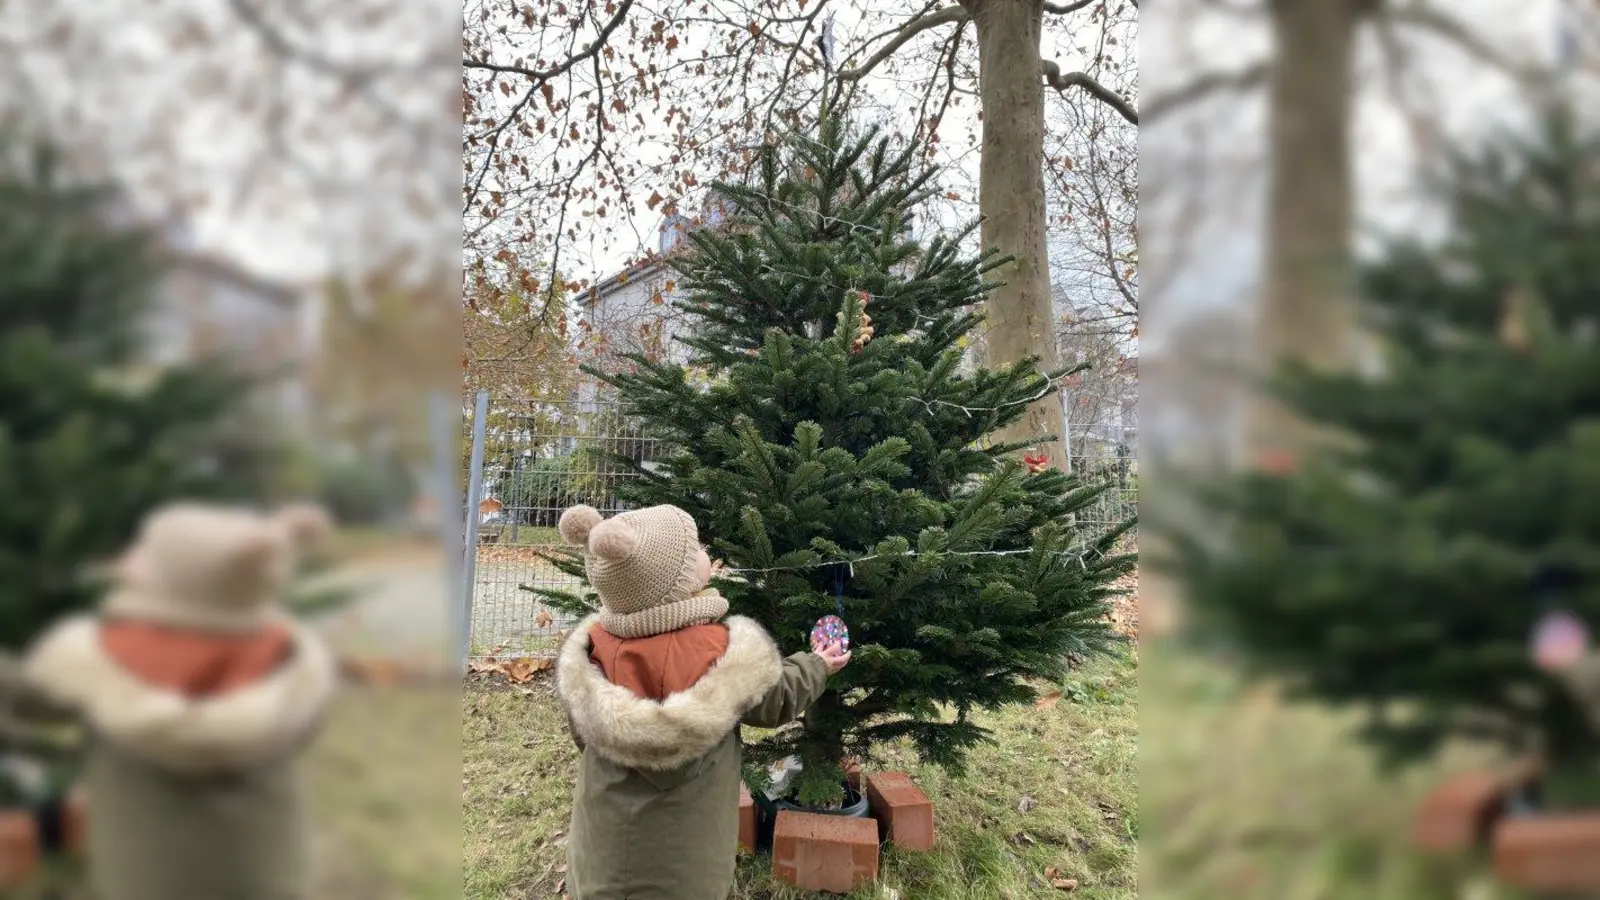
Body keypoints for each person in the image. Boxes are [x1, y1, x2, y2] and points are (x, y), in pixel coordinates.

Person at [22, 502, 338, 900]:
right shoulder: (290, 662)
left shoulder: (104, 658)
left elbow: (35, 701)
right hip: (271, 875)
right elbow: (304, 732)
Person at [555, 503, 851, 900]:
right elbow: (775, 700)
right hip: (688, 872)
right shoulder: (718, 650)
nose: (704, 553)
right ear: (672, 581)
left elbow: (583, 733)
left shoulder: (593, 649)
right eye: (695, 549)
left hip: (602, 860)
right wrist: (817, 664)